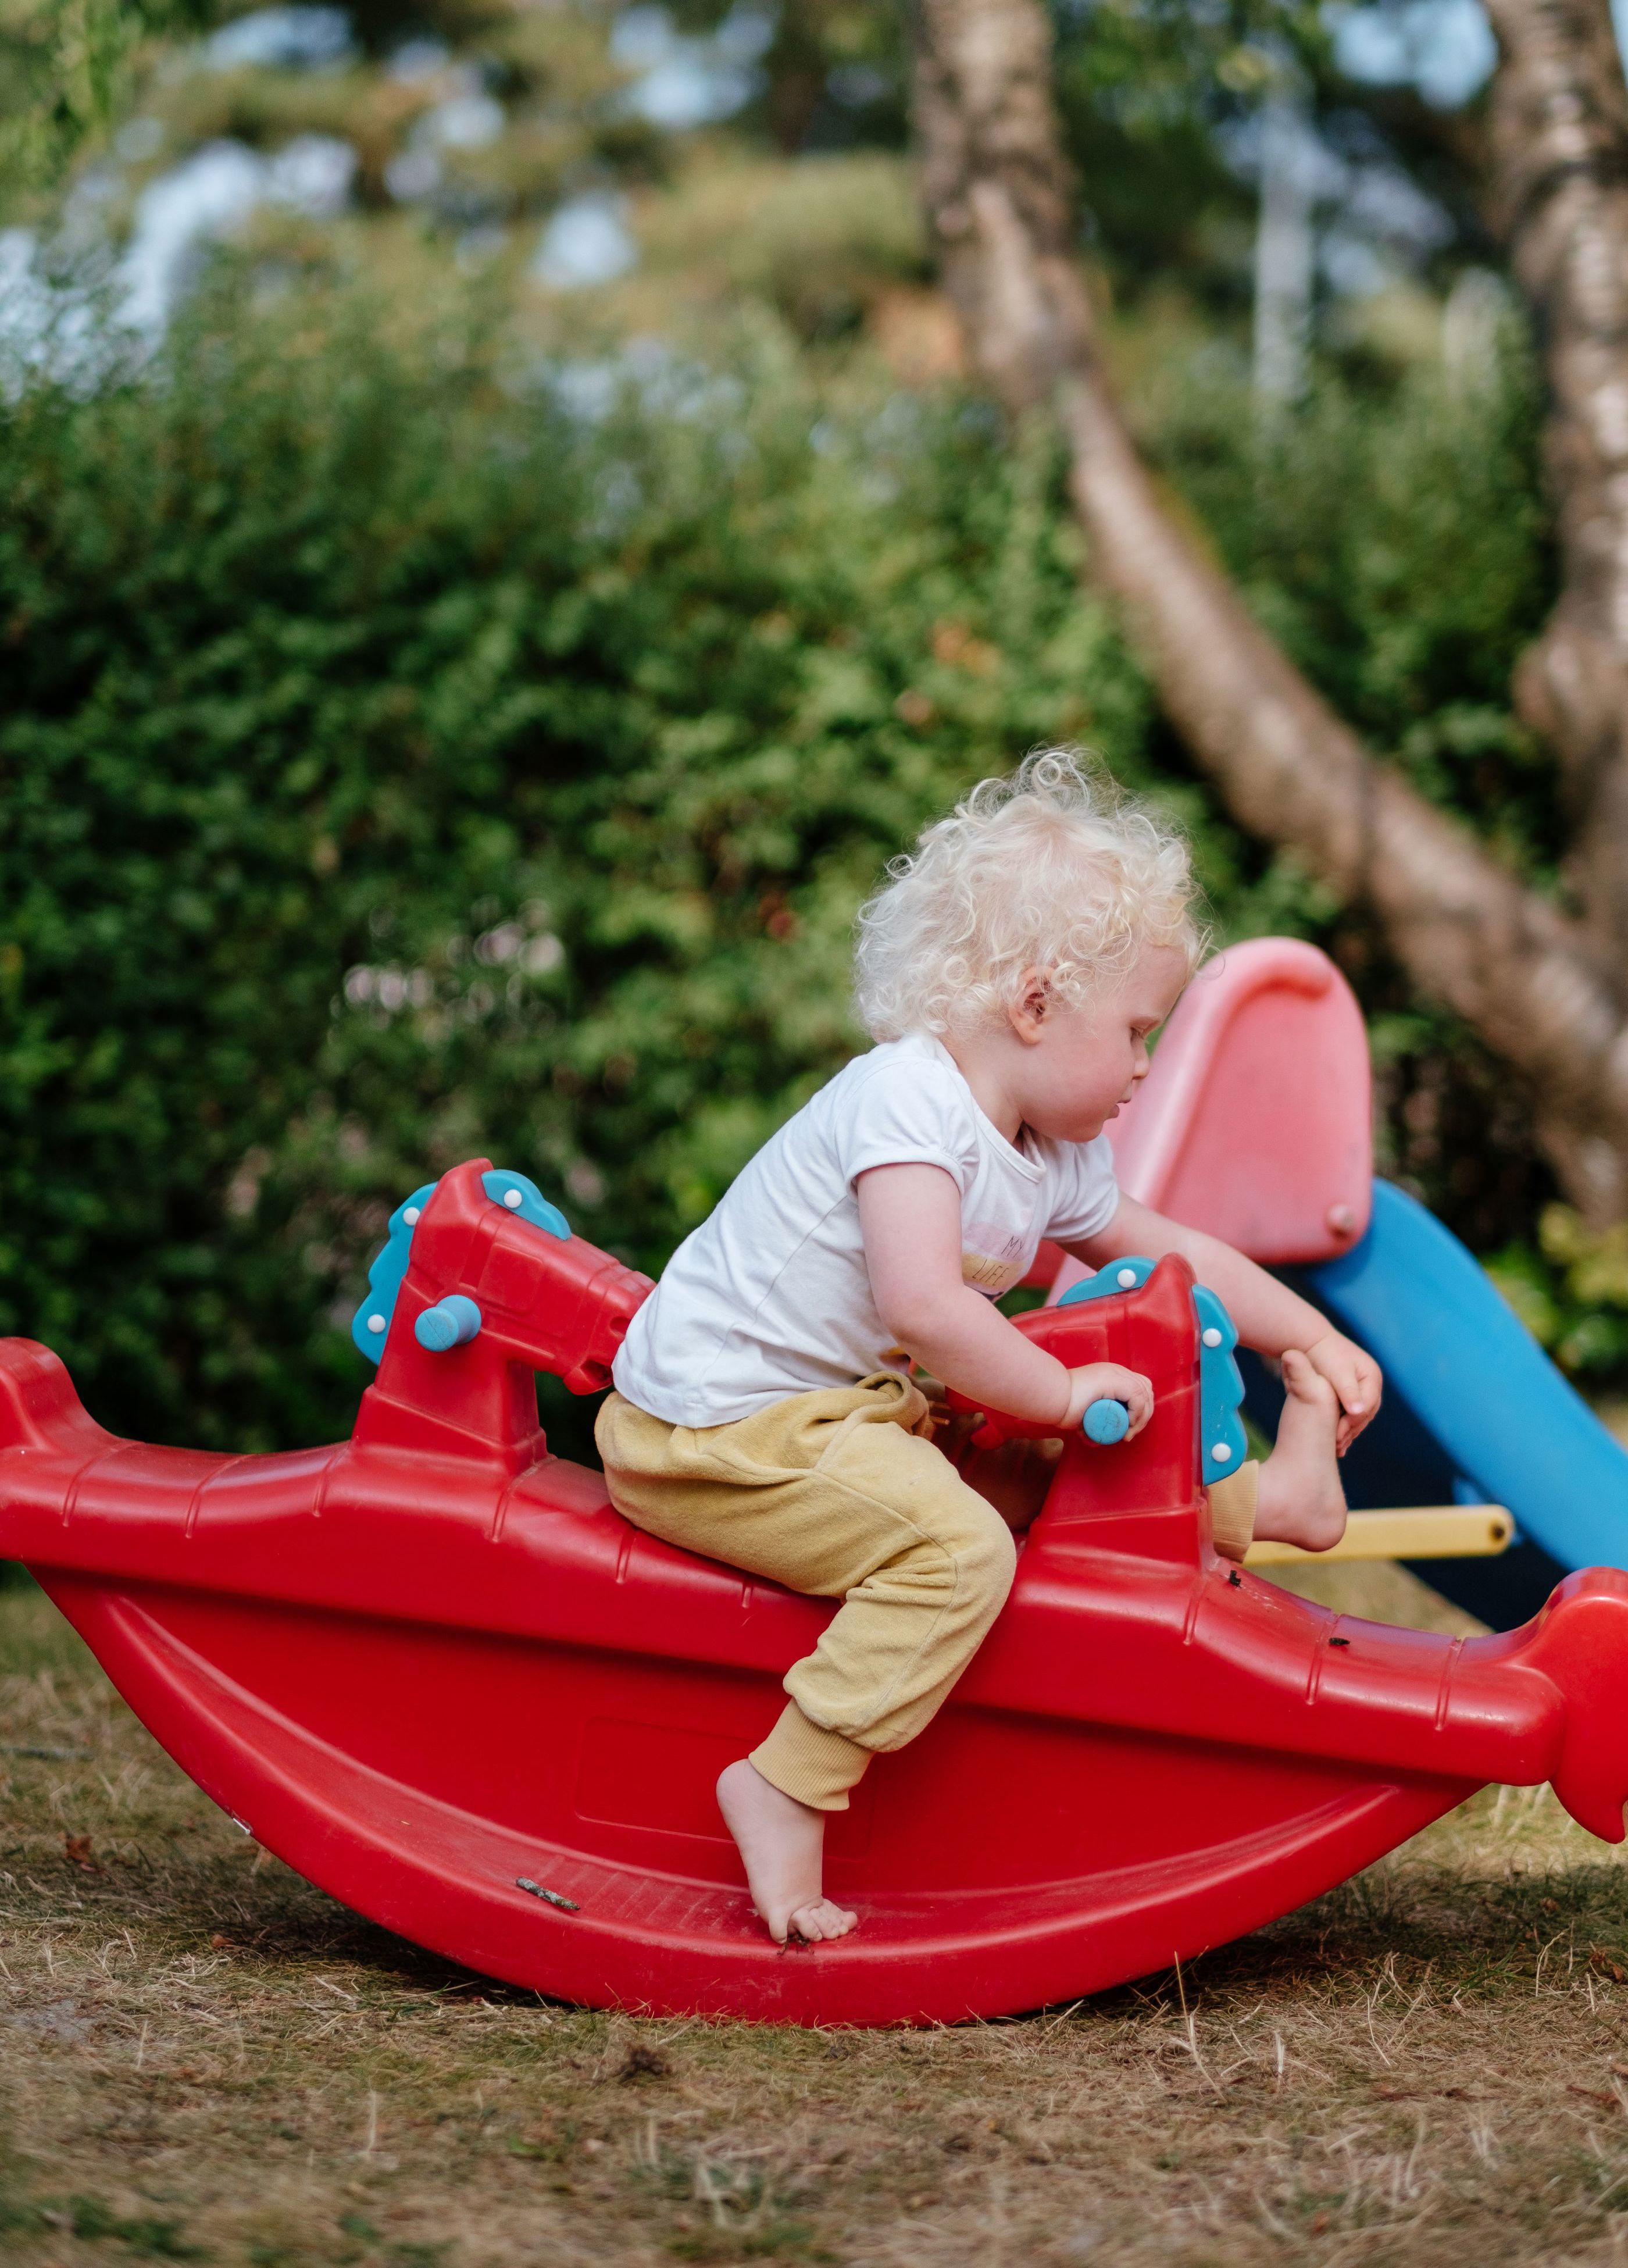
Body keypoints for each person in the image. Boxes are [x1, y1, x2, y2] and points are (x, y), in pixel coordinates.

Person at [596, 751, 1381, 1948]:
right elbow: (924, 1307)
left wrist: (1307, 1334)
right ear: (1034, 1006)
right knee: (960, 1551)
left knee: (1041, 1474)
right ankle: (788, 1780)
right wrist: (1059, 1392)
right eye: (1135, 1032)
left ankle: (1276, 1503)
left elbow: (1170, 1251)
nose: (1144, 1067)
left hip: (836, 1414)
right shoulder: (906, 1105)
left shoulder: (1046, 1148)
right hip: (714, 1430)